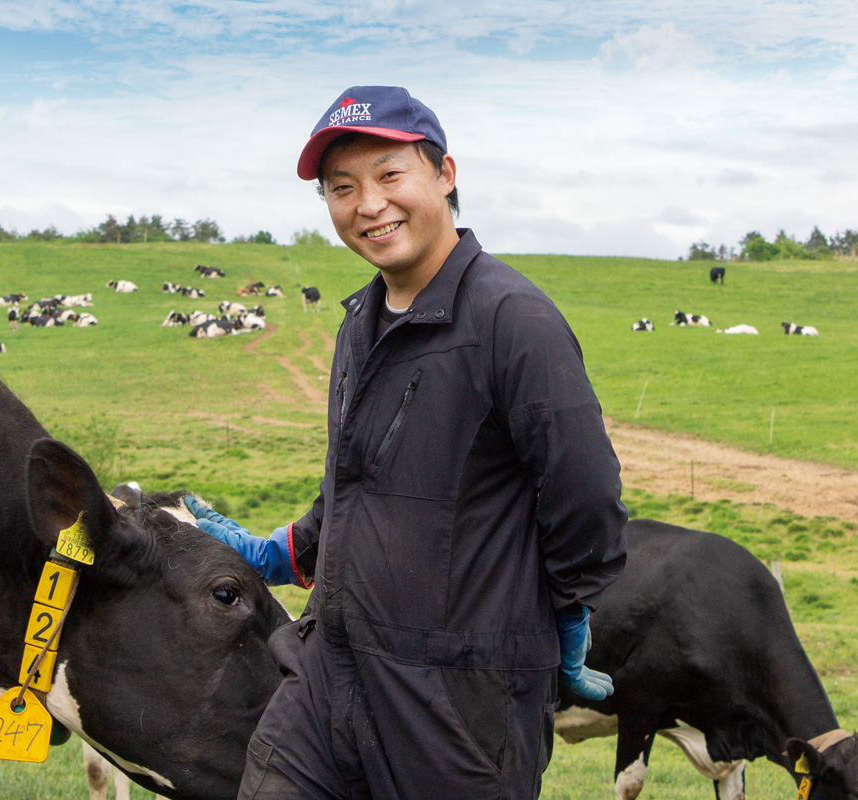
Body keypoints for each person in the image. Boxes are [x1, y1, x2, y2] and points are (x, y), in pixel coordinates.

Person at [184, 85, 627, 800]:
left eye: (390, 175)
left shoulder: (513, 320)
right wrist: (283, 553)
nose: (368, 204)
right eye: (342, 187)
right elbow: (358, 481)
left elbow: (586, 490)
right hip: (328, 676)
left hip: (458, 703)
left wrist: (570, 606)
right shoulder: (358, 323)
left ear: (444, 175)